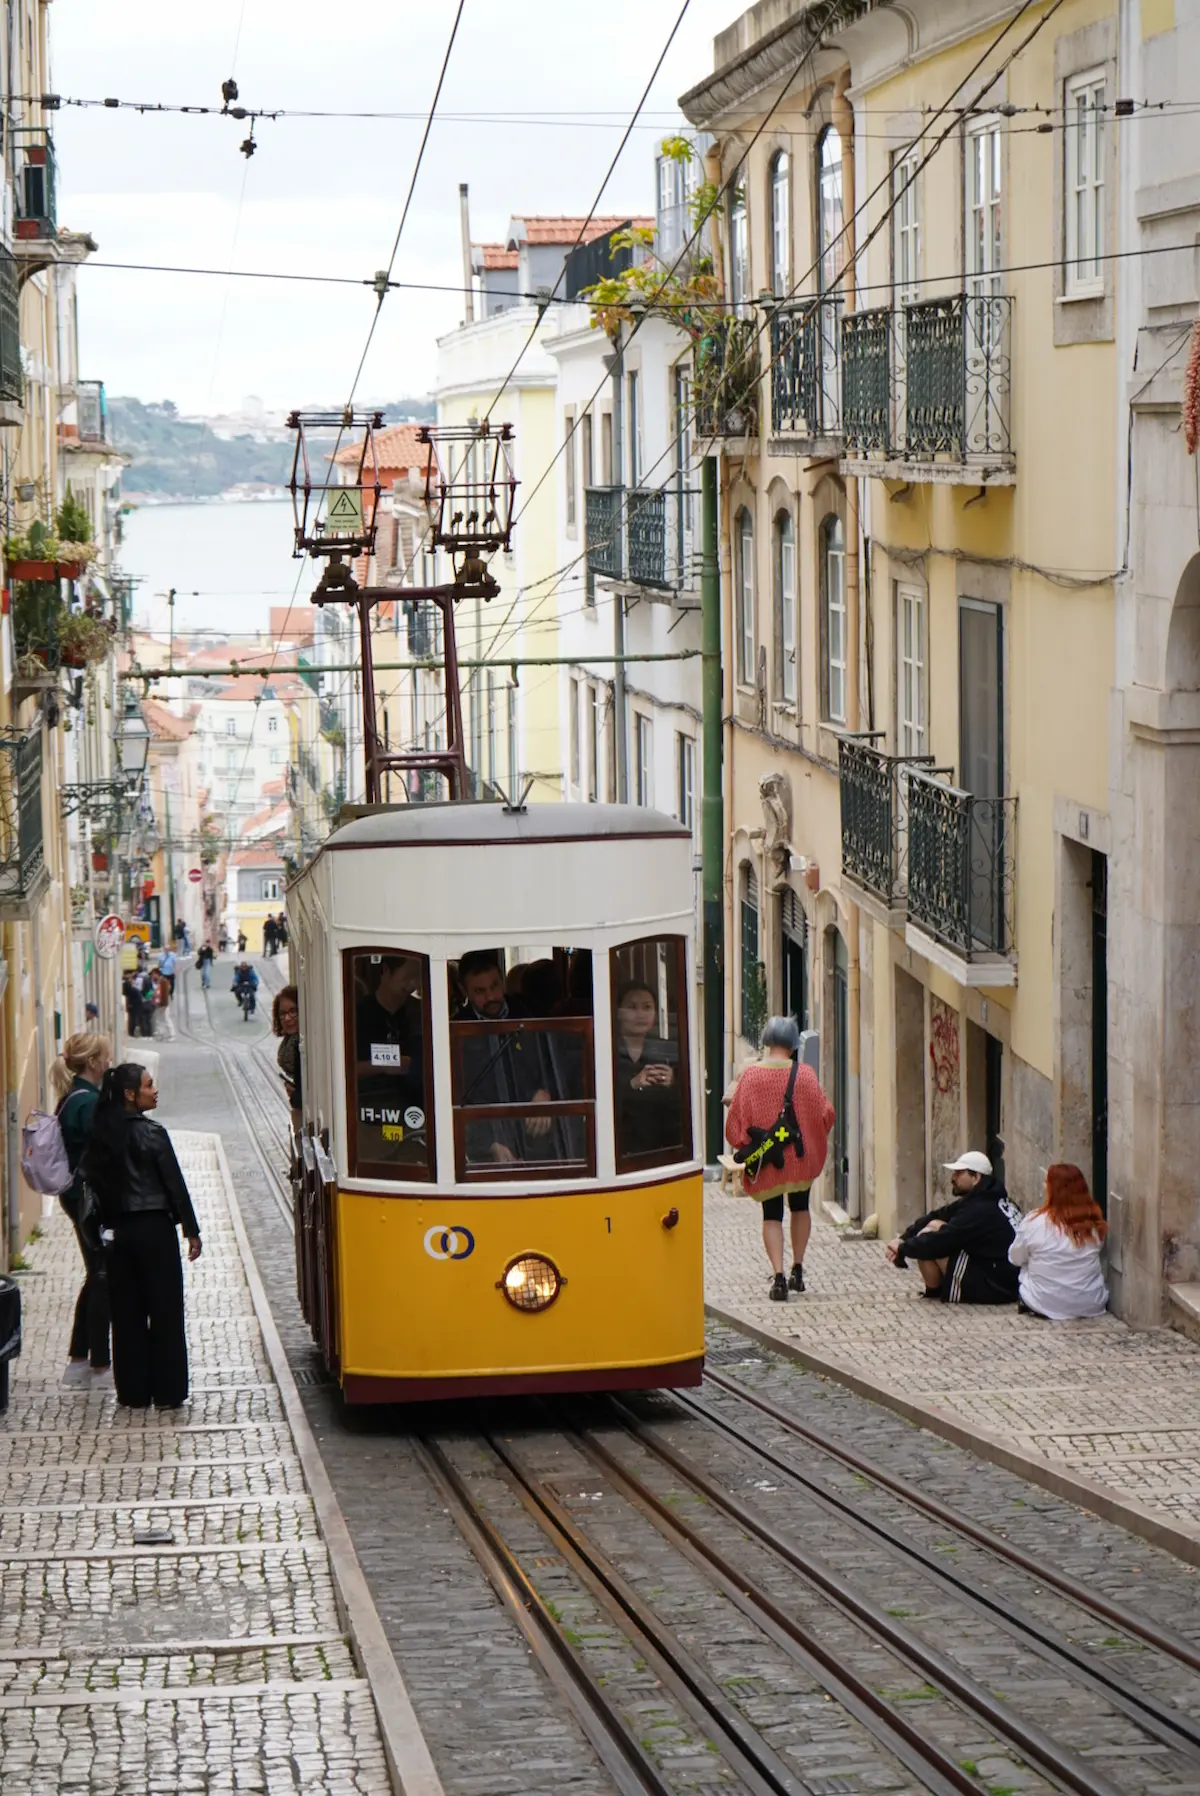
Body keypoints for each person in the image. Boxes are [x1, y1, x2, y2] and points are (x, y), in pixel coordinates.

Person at [81, 1064, 202, 1409]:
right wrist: (190, 1230)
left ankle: (133, 1392)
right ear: (130, 1095)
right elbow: (174, 1185)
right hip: (155, 1232)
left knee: (127, 1314)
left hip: (119, 1233)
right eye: (149, 1085)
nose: (155, 1090)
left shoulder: (101, 1136)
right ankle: (168, 1391)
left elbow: (90, 1185)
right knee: (165, 1312)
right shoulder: (153, 1133)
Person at [725, 1016, 836, 1301]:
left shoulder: (750, 1077)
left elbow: (736, 1125)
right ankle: (798, 1268)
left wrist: (744, 1143)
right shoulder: (806, 1074)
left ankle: (778, 1277)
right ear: (793, 1044)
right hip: (799, 1160)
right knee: (800, 1209)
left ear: (765, 1040)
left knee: (771, 1215)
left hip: (767, 1161)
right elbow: (826, 1114)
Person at [453, 951, 556, 1164]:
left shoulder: (531, 1012)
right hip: (487, 1146)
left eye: (495, 986)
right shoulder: (455, 1032)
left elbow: (558, 1063)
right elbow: (455, 1098)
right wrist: (488, 1143)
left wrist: (546, 1093)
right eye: (480, 991)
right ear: (464, 991)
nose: (491, 997)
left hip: (539, 1139)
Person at [51, 1032, 112, 1389]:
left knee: (96, 1272)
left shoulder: (73, 1096)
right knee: (102, 1274)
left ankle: (79, 1359)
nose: (108, 1062)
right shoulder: (87, 1102)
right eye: (104, 1057)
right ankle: (99, 1365)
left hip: (77, 1194)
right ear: (92, 1062)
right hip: (87, 1196)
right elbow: (100, 1151)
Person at [885, 1150, 1020, 1305]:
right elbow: (940, 1214)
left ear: (976, 1177)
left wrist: (902, 1249)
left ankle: (937, 1291)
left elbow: (941, 1241)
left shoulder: (980, 1210)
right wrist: (902, 1238)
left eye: (958, 1173)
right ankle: (936, 1289)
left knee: (930, 1238)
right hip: (1003, 1276)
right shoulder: (989, 1198)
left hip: (996, 1286)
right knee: (934, 1226)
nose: (952, 1178)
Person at [1008, 1163, 1108, 1320]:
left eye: (1046, 1182)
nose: (1043, 1186)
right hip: (1091, 1303)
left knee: (1027, 1262)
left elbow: (1015, 1258)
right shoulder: (1094, 1224)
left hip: (1044, 1303)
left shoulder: (1035, 1222)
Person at [613, 980, 682, 1160]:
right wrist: (632, 1084)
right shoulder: (606, 1053)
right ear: (618, 1012)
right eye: (632, 1007)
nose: (640, 1014)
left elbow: (683, 1108)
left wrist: (674, 1082)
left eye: (647, 1007)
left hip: (660, 1151)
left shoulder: (668, 1050)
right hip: (618, 1151)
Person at [273, 984, 302, 1134]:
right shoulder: (290, 1042)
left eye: (293, 1011)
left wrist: (295, 1094)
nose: (287, 1018)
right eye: (283, 1014)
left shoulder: (302, 1043)